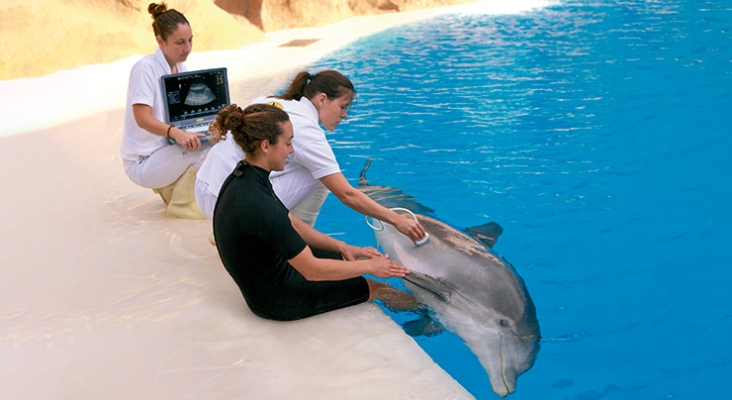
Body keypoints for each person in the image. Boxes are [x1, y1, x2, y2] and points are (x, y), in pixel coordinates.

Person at [213, 103, 412, 321]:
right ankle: (428, 316)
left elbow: (290, 222)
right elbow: (312, 270)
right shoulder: (259, 204)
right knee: (377, 287)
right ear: (265, 146)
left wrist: (343, 247)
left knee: (343, 259)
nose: (291, 150)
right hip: (277, 300)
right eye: (288, 143)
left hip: (269, 273)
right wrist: (371, 266)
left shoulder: (246, 176)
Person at [196, 70, 427, 242]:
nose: (345, 115)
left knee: (307, 164)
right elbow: (346, 194)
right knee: (321, 175)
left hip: (206, 187)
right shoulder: (307, 131)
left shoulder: (270, 100)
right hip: (228, 207)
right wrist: (395, 219)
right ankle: (295, 242)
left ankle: (234, 231)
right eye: (343, 107)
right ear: (322, 99)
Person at [119, 2, 212, 219]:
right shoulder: (145, 68)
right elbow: (142, 118)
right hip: (142, 161)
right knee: (205, 148)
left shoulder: (181, 68)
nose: (187, 48)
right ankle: (181, 202)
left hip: (164, 151)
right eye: (179, 42)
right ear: (160, 41)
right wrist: (176, 133)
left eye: (190, 40)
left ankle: (173, 191)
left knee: (214, 138)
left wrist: (208, 125)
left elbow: (182, 116)